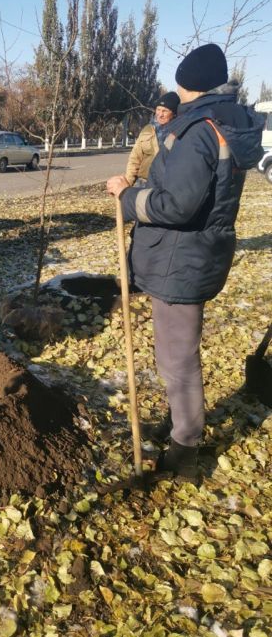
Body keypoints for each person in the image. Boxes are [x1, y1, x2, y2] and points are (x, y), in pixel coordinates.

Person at [106, 43, 263, 480]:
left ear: (187, 84)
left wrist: (127, 196)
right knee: (174, 354)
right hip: (191, 254)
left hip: (183, 258)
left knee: (178, 359)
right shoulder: (222, 125)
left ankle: (185, 449)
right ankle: (180, 422)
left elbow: (177, 206)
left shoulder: (199, 132)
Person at [125, 92, 180, 186]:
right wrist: (128, 183)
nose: (160, 114)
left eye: (165, 111)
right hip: (143, 183)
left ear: (174, 114)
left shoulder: (179, 132)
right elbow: (134, 159)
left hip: (167, 185)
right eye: (158, 110)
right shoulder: (147, 130)